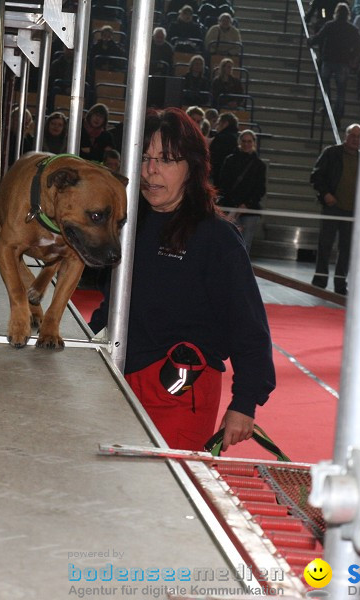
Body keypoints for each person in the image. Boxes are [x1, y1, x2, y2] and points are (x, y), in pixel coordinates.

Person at [89, 108, 275, 452]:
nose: (151, 170)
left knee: (168, 493)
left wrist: (244, 403)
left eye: (167, 159)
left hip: (180, 392)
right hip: (116, 380)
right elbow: (112, 304)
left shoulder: (216, 238)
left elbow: (248, 326)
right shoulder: (126, 227)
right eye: (145, 158)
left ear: (192, 167)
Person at [310, 123, 360, 295]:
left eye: (358, 136)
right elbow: (316, 175)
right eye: (352, 135)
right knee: (325, 244)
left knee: (346, 248)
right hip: (332, 207)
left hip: (352, 211)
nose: (355, 139)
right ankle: (319, 281)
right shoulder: (331, 153)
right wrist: (325, 194)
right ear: (346, 136)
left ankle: (341, 284)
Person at [309, 3, 360, 126]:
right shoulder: (352, 29)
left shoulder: (330, 25)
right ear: (348, 14)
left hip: (328, 59)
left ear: (336, 13)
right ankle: (338, 114)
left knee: (325, 86)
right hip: (343, 62)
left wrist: (310, 41)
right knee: (341, 90)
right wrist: (351, 57)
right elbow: (359, 47)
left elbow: (319, 37)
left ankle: (326, 107)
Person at [218, 129, 267, 251]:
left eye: (249, 141)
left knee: (245, 245)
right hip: (231, 206)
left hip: (249, 209)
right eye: (244, 141)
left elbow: (260, 188)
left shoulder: (259, 165)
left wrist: (246, 204)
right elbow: (224, 183)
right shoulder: (230, 160)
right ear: (240, 142)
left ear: (254, 143)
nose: (246, 144)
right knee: (227, 242)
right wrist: (235, 204)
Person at [208, 112, 240, 185]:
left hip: (219, 174)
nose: (217, 126)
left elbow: (213, 157)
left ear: (225, 123)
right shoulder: (237, 138)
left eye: (219, 123)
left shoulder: (220, 138)